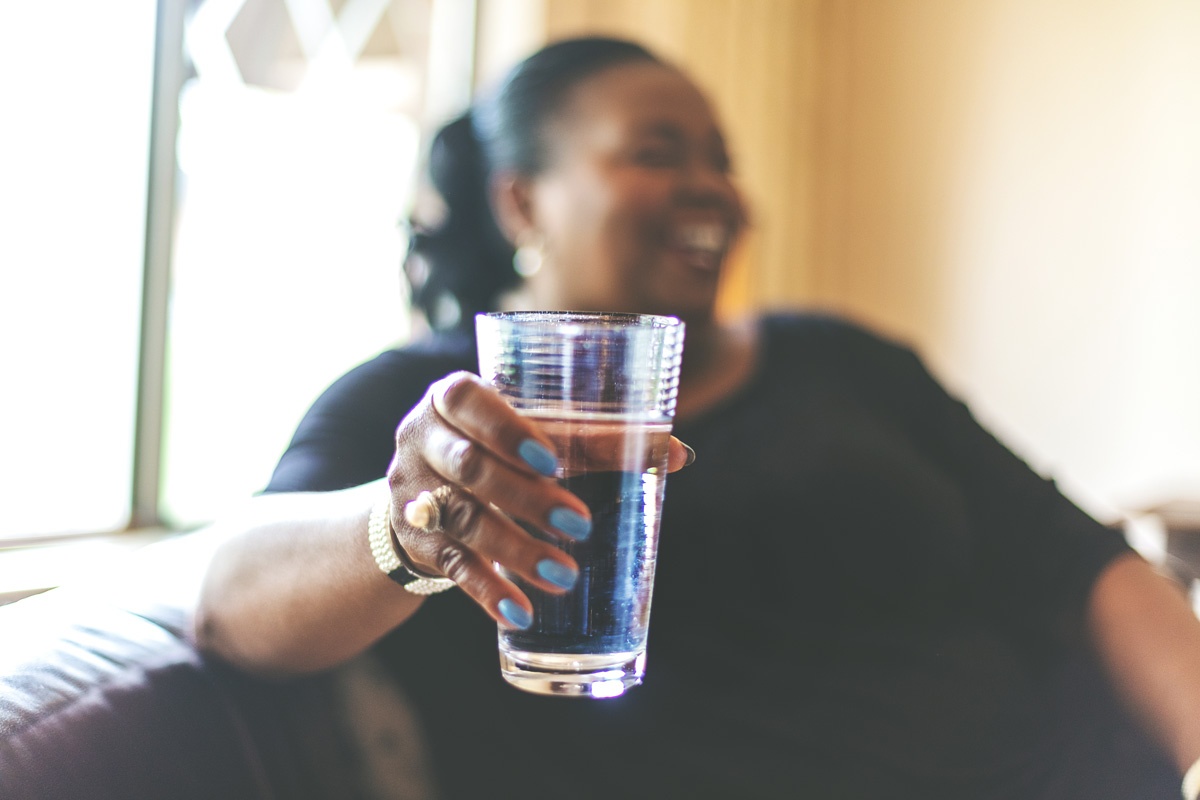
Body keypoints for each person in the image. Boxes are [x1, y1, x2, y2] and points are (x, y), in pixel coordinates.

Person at [195, 36, 1200, 799]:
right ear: (523, 203)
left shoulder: (843, 359)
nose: (712, 188)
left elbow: (1083, 562)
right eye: (657, 152)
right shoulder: (434, 406)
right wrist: (408, 520)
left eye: (721, 157)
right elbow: (230, 600)